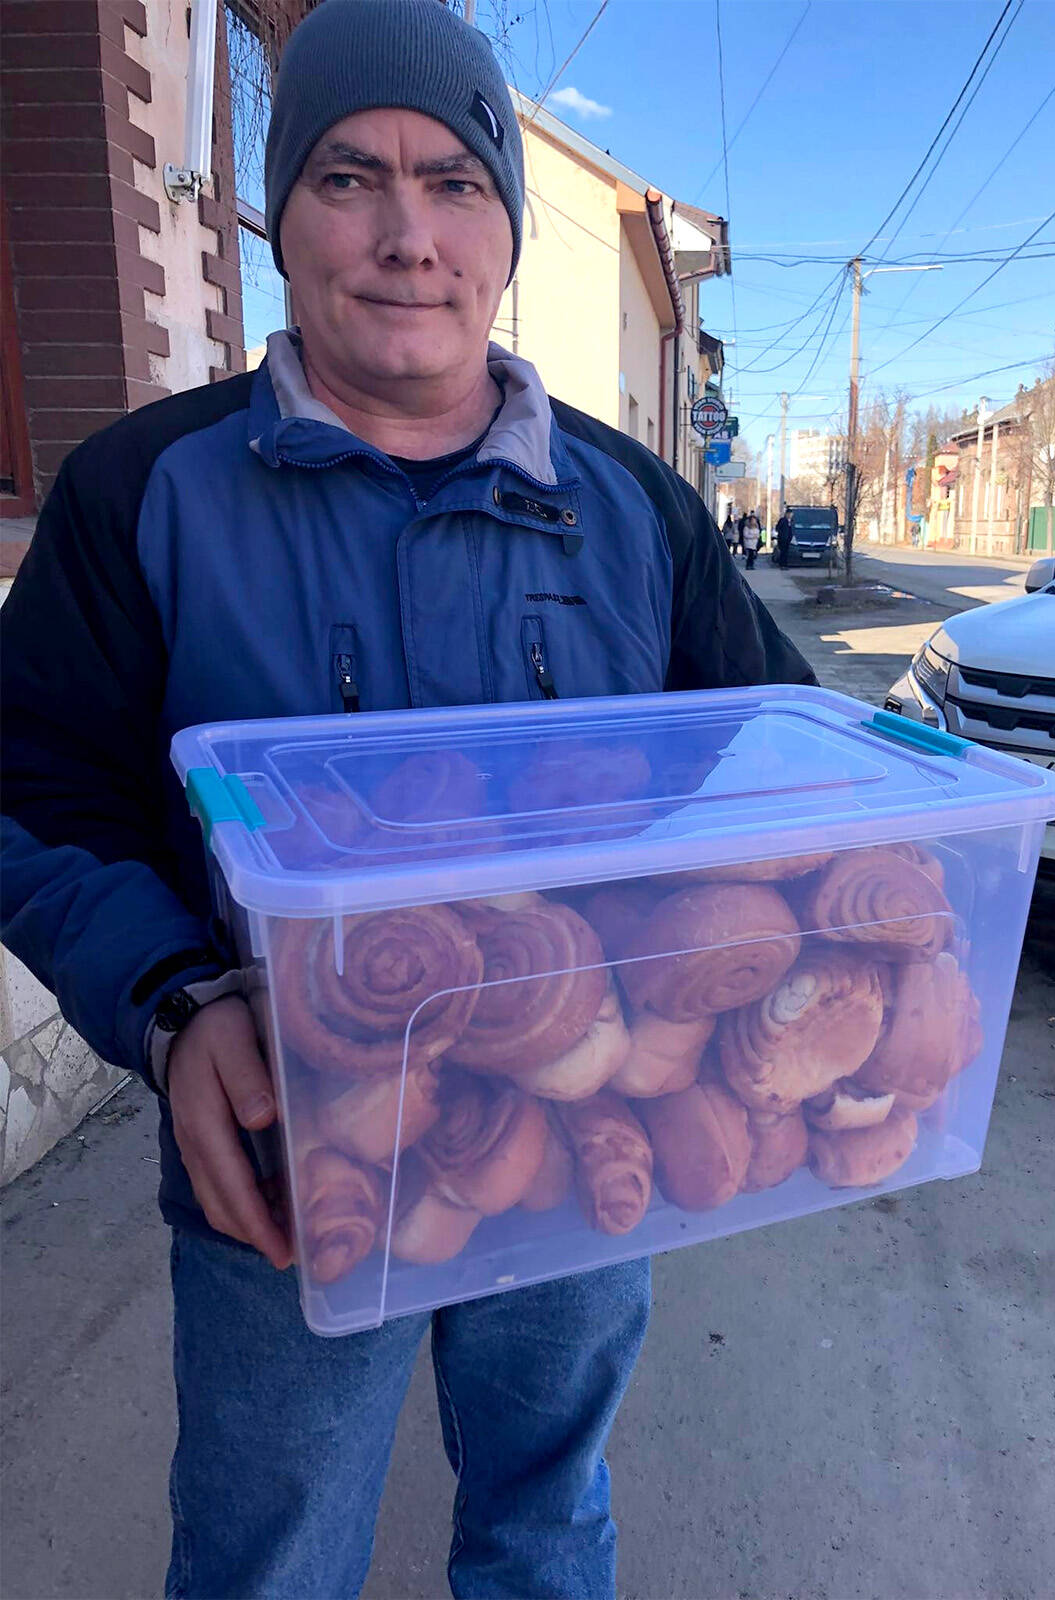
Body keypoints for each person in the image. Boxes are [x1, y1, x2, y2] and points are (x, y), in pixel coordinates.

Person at [0, 3, 817, 1598]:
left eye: (453, 183)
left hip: (589, 1145)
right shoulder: (146, 491)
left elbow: (773, 761)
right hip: (294, 1155)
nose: (404, 235)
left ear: (505, 226)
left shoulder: (632, 506)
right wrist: (172, 1007)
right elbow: (27, 782)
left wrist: (791, 975)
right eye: (347, 178)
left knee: (543, 1521)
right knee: (267, 1552)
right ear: (278, 216)